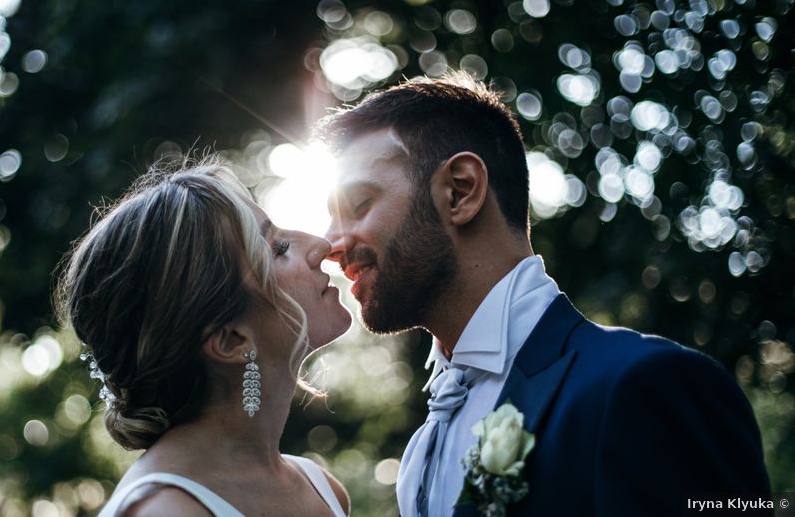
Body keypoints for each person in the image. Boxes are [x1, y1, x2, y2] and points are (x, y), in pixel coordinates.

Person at [318, 72, 771, 516]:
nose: (331, 245)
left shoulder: (647, 386)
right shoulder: (422, 449)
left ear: (460, 192)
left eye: (359, 206)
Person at [54, 162, 353, 516]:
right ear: (230, 340)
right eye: (278, 248)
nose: (321, 245)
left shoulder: (323, 490)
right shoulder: (165, 511)